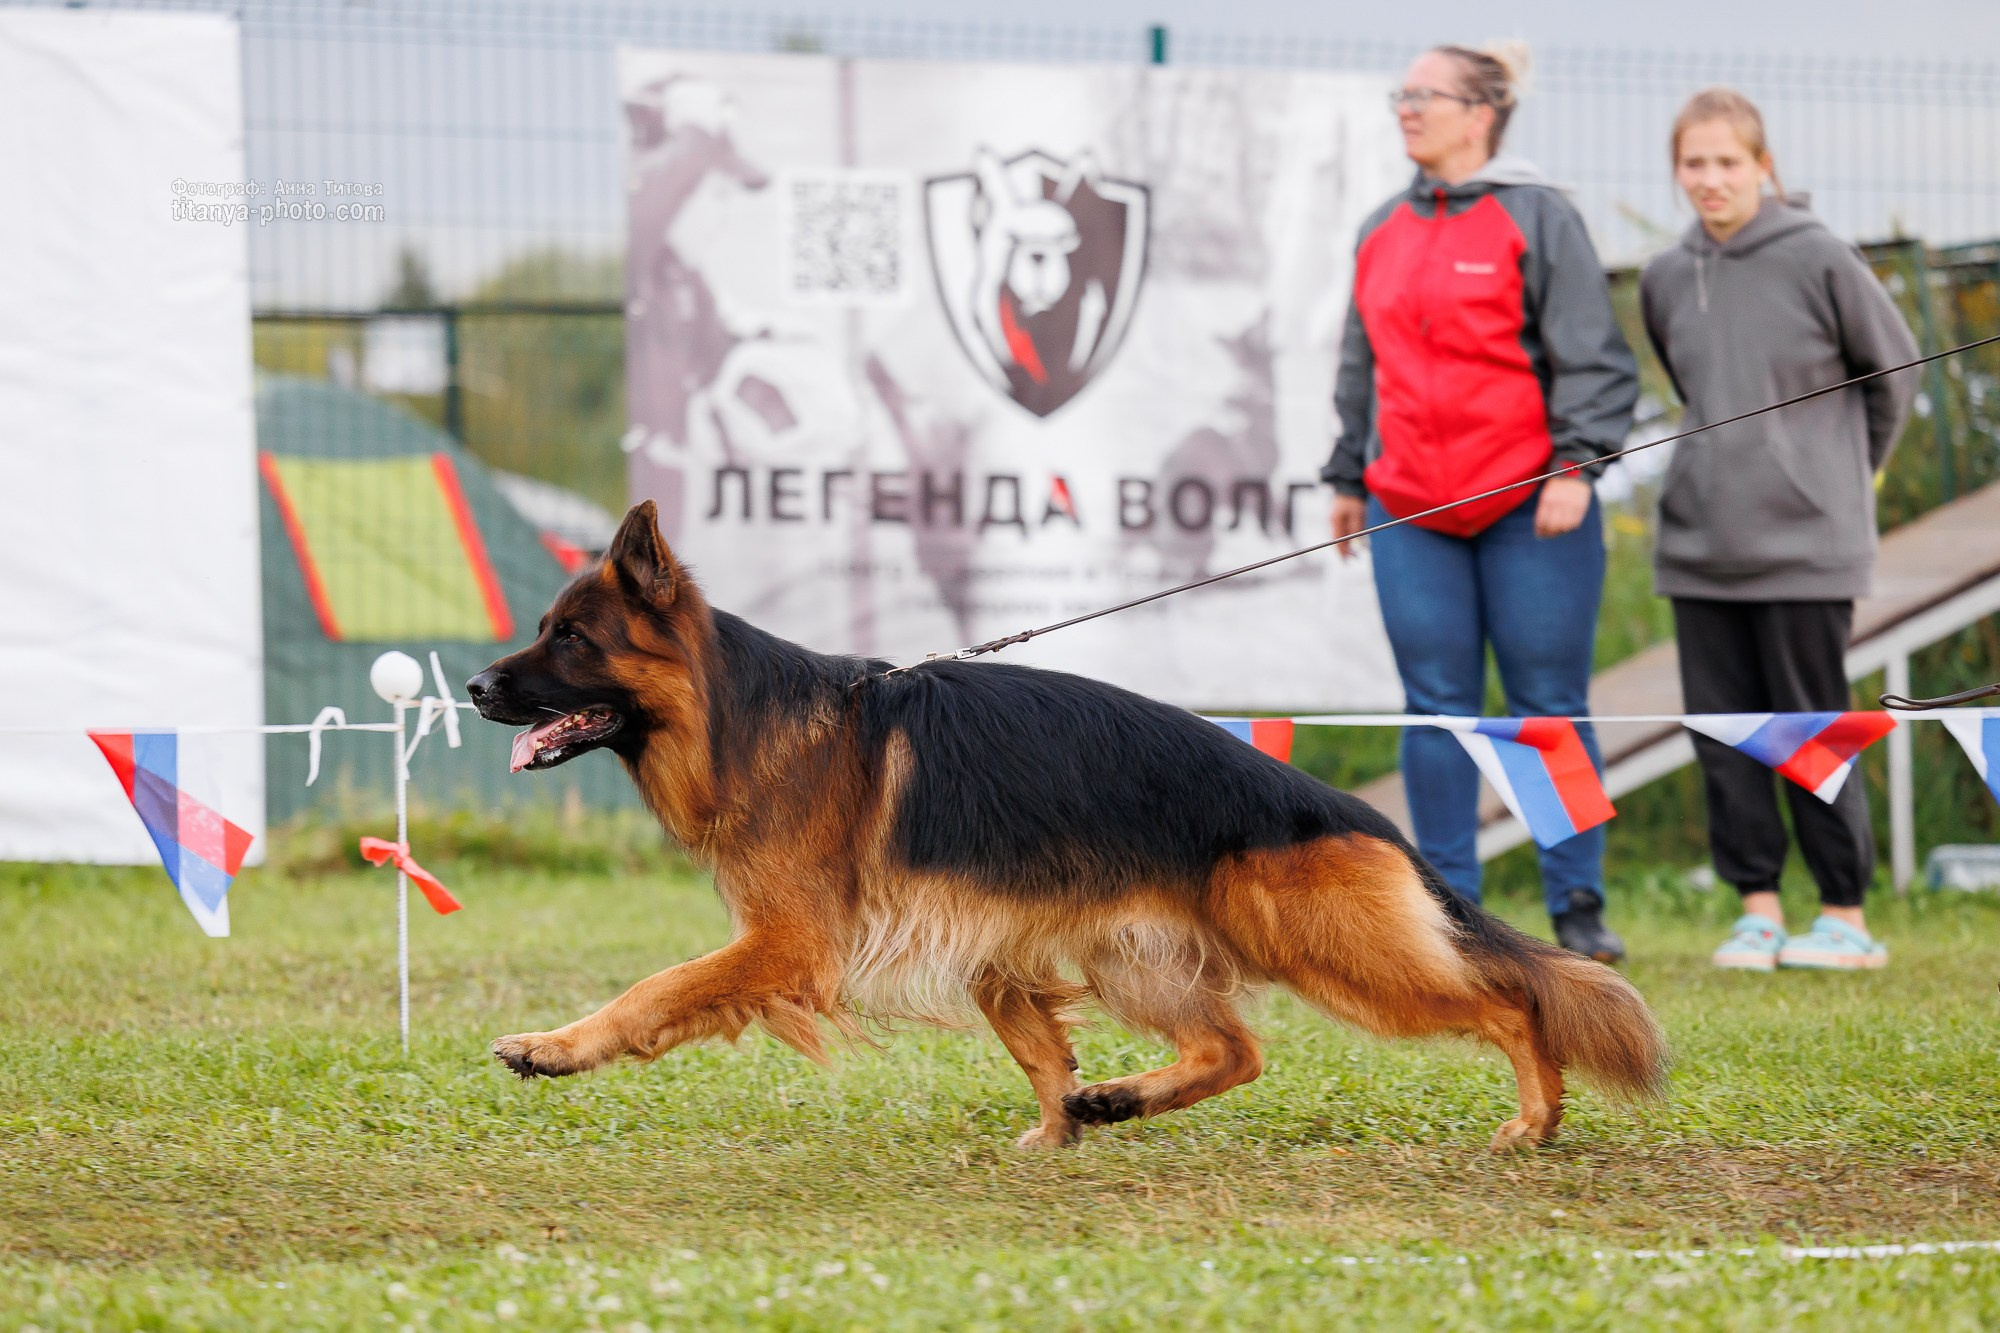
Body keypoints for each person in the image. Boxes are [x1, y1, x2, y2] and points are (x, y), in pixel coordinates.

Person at [1324, 44, 1639, 961]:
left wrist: (1577, 466)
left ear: (1481, 114)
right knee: (1434, 706)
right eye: (1402, 93)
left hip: (1531, 505)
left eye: (1424, 95)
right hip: (1409, 509)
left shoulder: (1540, 215)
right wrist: (1346, 477)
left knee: (1548, 702)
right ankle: (1450, 910)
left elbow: (1593, 356)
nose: (1406, 108)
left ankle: (1577, 904)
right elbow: (1360, 365)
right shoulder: (1381, 226)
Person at [1641, 88, 1917, 971]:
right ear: (1677, 171)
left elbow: (1896, 376)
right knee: (1724, 733)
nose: (1711, 179)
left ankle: (1844, 914)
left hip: (1807, 545)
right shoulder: (1663, 275)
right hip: (1698, 546)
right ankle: (1756, 909)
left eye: (1729, 161)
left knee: (1810, 725)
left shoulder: (1820, 255)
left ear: (1764, 166)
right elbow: (1695, 389)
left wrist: (1837, 477)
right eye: (1695, 163)